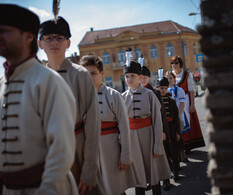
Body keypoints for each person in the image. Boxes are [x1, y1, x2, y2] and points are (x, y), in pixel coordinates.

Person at [0, 4, 78, 195]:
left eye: (4, 31)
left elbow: (62, 149)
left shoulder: (48, 81)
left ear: (28, 37)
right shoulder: (2, 83)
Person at [38, 17, 104, 195]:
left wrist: (90, 168)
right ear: (40, 43)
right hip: (46, 155)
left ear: (68, 43)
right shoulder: (36, 77)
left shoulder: (80, 74)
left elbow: (92, 121)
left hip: (78, 149)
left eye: (59, 38)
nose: (54, 42)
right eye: (49, 38)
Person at [80, 54, 139, 195]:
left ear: (102, 73)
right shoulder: (79, 97)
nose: (89, 77)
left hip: (110, 151)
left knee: (115, 188)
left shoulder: (113, 95)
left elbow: (124, 128)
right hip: (88, 153)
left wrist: (125, 155)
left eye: (93, 73)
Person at [122, 59, 171, 195]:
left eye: (133, 75)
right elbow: (122, 125)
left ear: (140, 77)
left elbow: (157, 120)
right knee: (138, 174)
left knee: (153, 172)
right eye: (127, 76)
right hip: (133, 140)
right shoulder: (122, 97)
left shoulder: (150, 95)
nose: (130, 79)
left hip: (149, 137)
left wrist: (157, 145)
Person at [170, 56, 205, 154]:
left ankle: (187, 144)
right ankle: (180, 145)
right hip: (174, 102)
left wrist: (192, 104)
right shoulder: (170, 75)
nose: (174, 65)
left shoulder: (186, 74)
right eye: (173, 63)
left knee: (185, 122)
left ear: (180, 64)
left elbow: (191, 90)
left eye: (176, 63)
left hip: (185, 101)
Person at [157, 76, 182, 185]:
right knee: (165, 152)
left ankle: (176, 171)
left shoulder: (171, 101)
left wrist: (177, 132)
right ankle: (168, 173)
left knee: (174, 151)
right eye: (161, 88)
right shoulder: (156, 101)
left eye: (165, 88)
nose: (163, 90)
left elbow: (176, 118)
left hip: (172, 129)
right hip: (162, 130)